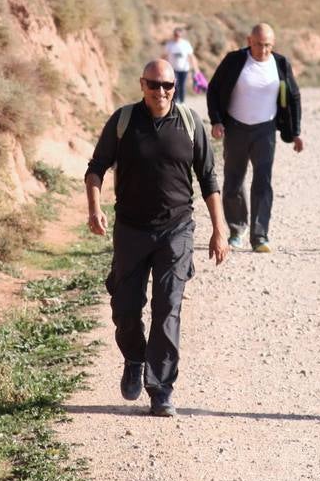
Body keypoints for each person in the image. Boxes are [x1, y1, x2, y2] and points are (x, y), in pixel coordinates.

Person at [86, 60, 228, 417]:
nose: (161, 91)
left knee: (168, 308)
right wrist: (94, 209)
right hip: (131, 230)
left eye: (167, 85)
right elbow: (95, 168)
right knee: (125, 307)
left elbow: (209, 180)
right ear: (142, 84)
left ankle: (161, 387)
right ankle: (134, 358)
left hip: (176, 230)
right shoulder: (123, 122)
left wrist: (219, 229)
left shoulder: (191, 123)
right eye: (154, 85)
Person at [205, 23, 303, 253]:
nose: (263, 49)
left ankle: (259, 236)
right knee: (233, 181)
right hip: (236, 128)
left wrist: (295, 132)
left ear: (273, 44)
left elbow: (294, 96)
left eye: (268, 45)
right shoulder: (235, 60)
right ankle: (236, 229)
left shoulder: (280, 64)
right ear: (249, 40)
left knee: (262, 182)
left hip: (265, 131)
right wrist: (216, 120)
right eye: (258, 44)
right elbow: (214, 89)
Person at [162, 27, 199, 104]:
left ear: (181, 35)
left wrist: (196, 69)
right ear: (174, 35)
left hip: (184, 69)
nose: (177, 36)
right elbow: (164, 56)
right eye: (176, 35)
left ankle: (182, 102)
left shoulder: (185, 44)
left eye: (179, 35)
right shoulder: (169, 45)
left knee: (182, 86)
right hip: (173, 69)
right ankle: (174, 101)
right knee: (175, 85)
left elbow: (191, 56)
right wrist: (162, 66)